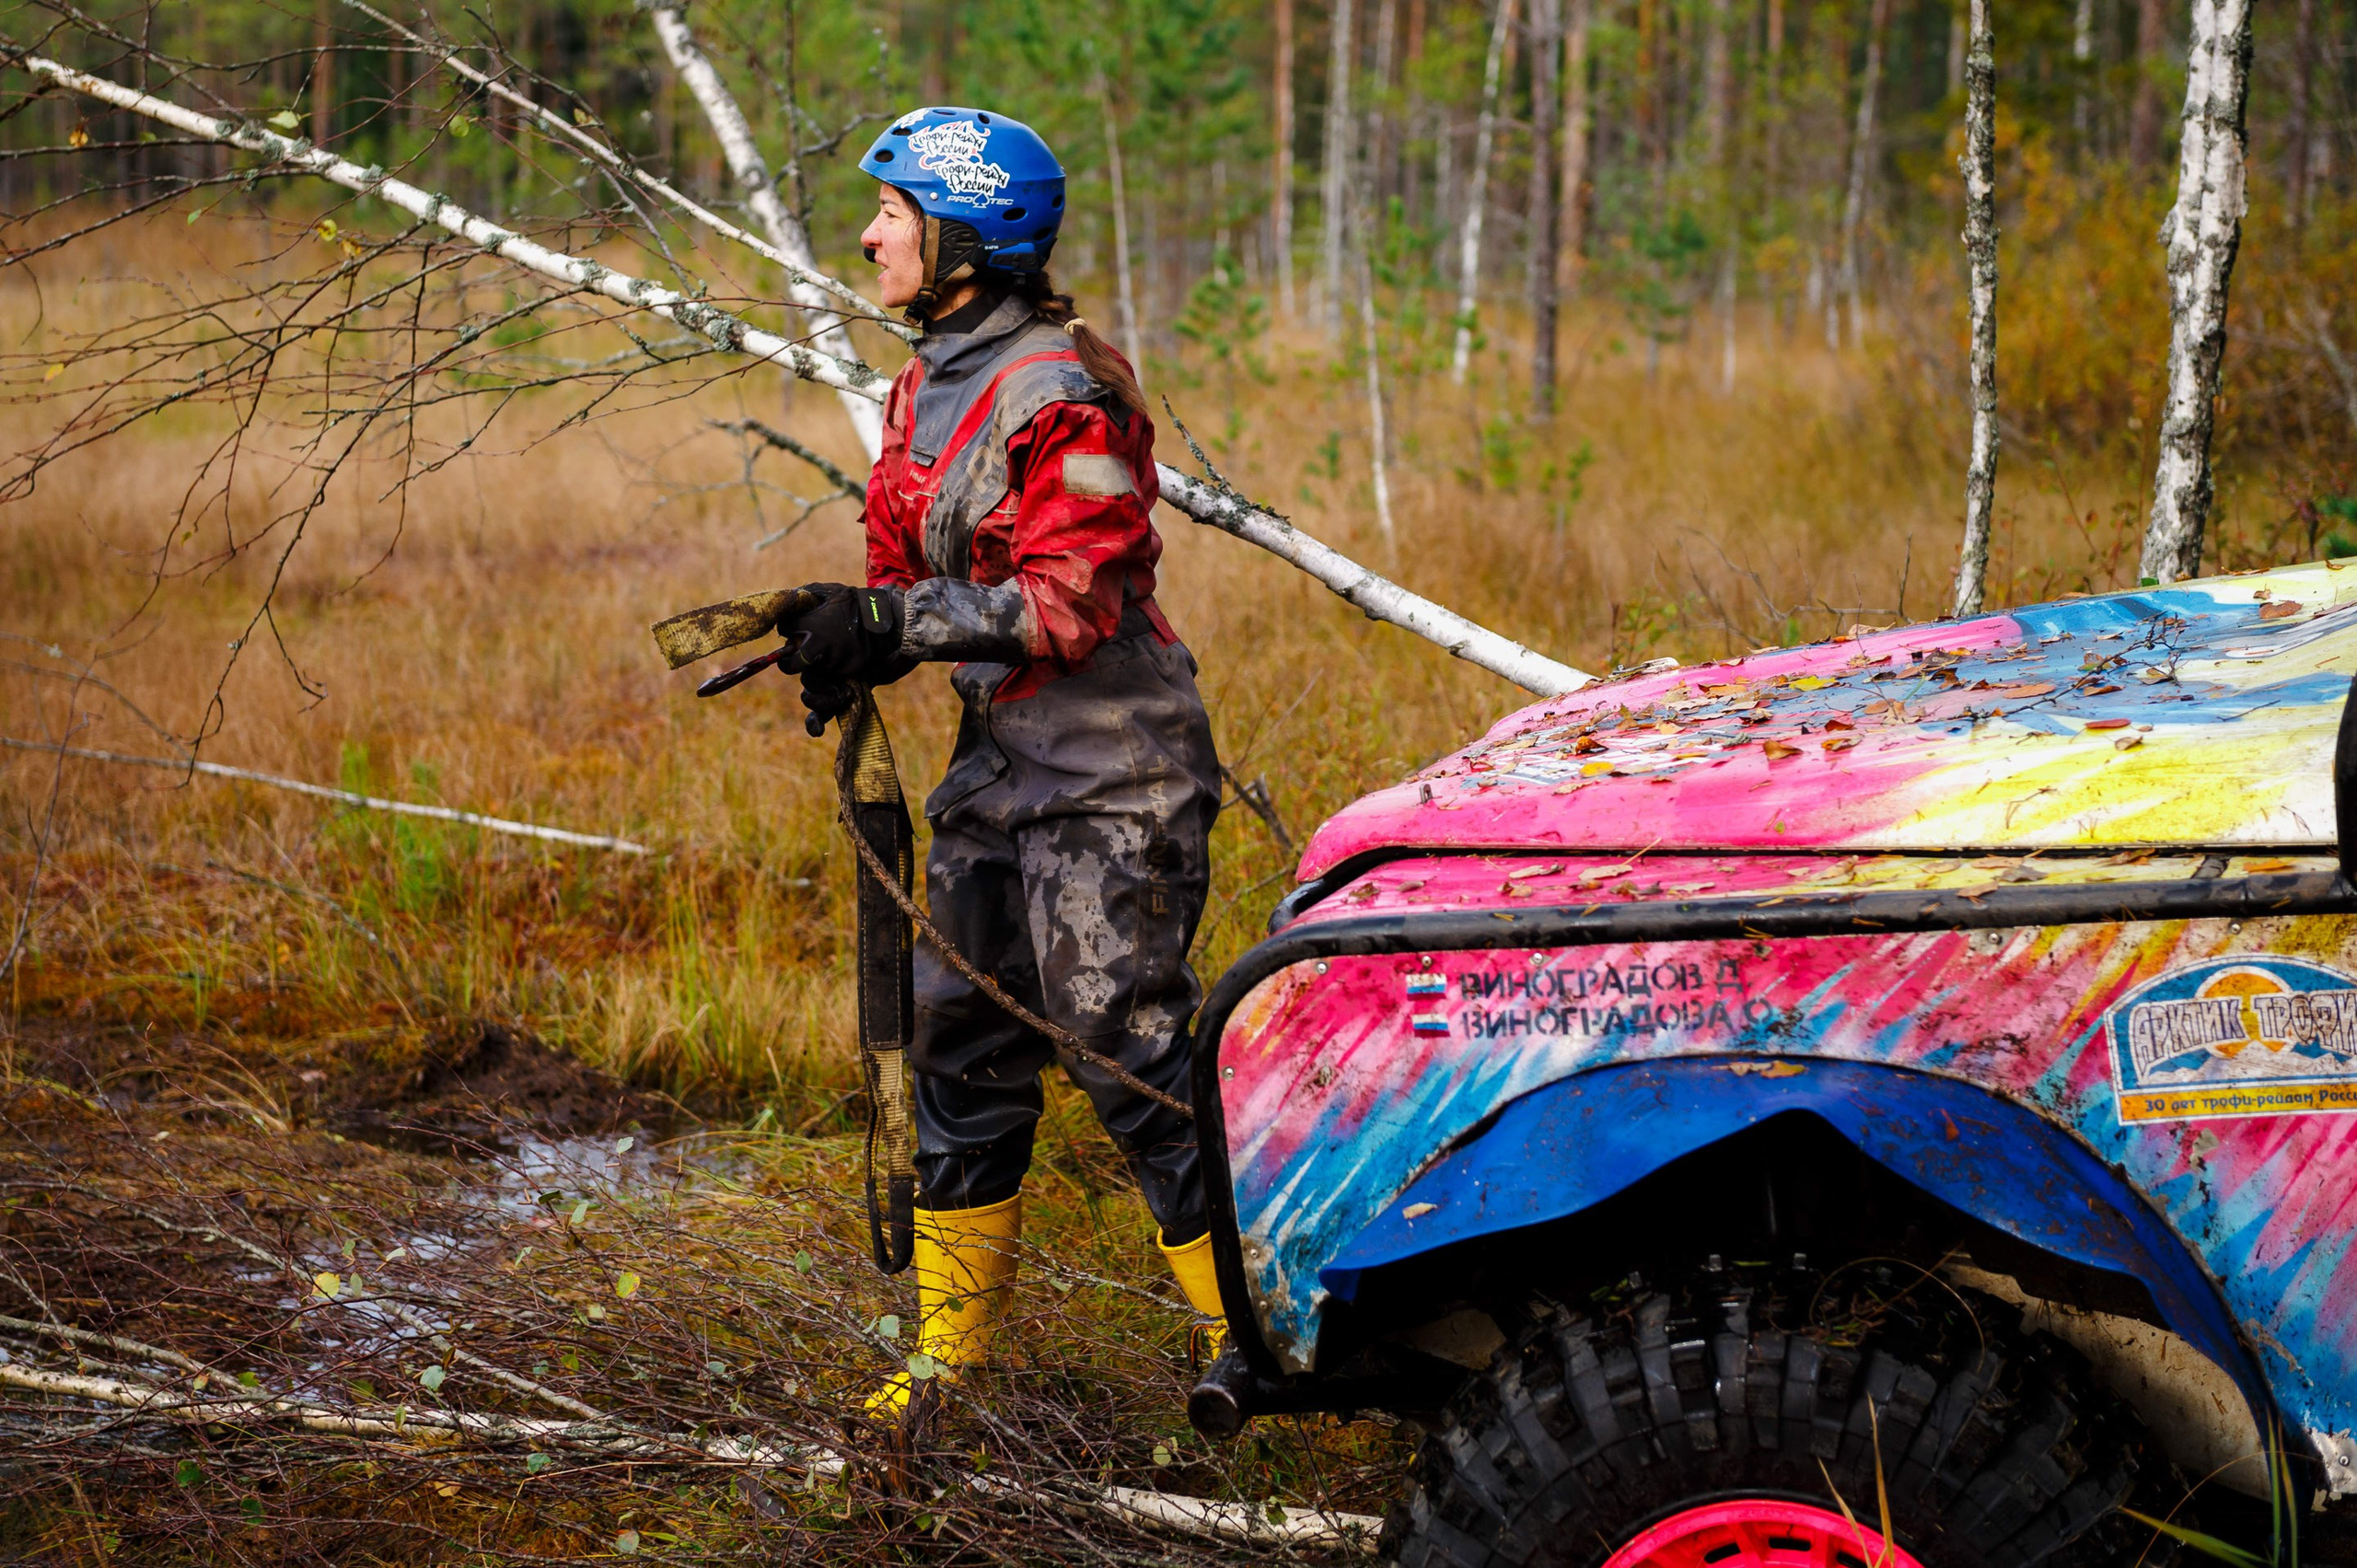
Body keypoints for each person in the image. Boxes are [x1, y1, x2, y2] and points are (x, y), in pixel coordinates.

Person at [772, 106, 1225, 1416]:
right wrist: (844, 638)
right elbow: (898, 562)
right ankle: (947, 1364)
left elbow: (1072, 602)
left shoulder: (1065, 388)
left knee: (1124, 1046)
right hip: (999, 758)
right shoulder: (927, 380)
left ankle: (1246, 1342)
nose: (868, 238)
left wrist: (898, 625)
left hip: (1112, 764)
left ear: (970, 233)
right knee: (958, 1034)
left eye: (894, 216)